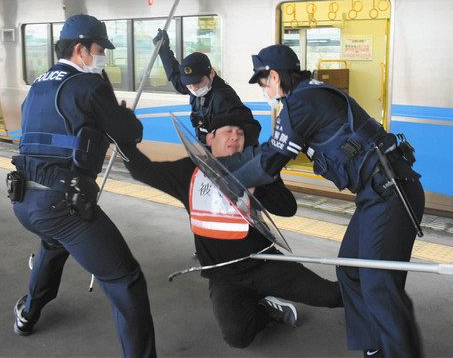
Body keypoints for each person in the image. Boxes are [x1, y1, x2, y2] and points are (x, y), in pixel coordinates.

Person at [221, 45, 425, 357]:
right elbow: (267, 151)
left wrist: (231, 182)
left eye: (263, 82)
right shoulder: (310, 94)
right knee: (350, 271)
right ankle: (374, 346)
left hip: (390, 192)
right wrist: (228, 165)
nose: (264, 89)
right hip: (380, 192)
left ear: (274, 76)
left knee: (379, 287)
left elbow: (269, 164)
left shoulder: (299, 104)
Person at [120, 114, 343, 349]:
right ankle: (266, 309)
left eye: (240, 133)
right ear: (210, 138)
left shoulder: (254, 168)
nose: (235, 137)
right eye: (228, 131)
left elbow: (288, 208)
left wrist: (261, 182)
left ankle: (376, 294)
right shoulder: (190, 171)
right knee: (237, 336)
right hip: (223, 275)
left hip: (264, 264)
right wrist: (123, 138)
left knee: (332, 295)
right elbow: (141, 170)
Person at [9, 14, 156, 357]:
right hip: (63, 206)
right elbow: (130, 135)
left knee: (53, 245)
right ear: (80, 49)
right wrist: (122, 115)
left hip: (24, 200)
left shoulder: (39, 85)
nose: (103, 55)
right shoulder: (89, 86)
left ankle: (28, 314)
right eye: (99, 49)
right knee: (126, 280)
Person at [152, 29, 261, 145]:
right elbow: (175, 76)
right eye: (189, 83)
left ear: (212, 73)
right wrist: (163, 50)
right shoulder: (195, 87)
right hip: (207, 152)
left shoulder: (223, 98)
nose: (194, 88)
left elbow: (251, 129)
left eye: (198, 82)